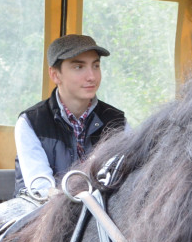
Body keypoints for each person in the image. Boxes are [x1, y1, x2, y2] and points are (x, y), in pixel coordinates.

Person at [13, 34, 126, 195]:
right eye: (79, 67)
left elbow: (124, 180)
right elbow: (41, 189)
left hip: (99, 215)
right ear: (55, 75)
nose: (92, 77)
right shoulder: (31, 122)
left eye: (96, 66)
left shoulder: (117, 122)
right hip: (41, 214)